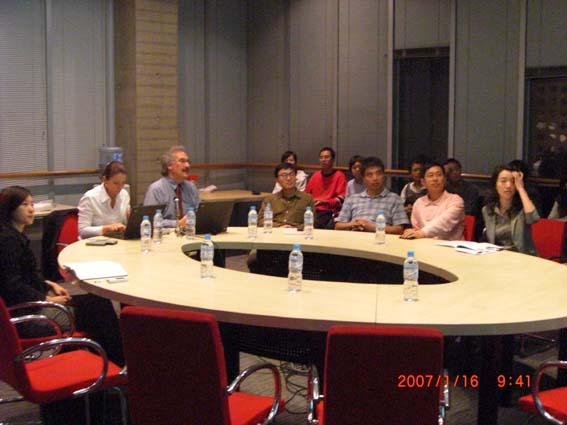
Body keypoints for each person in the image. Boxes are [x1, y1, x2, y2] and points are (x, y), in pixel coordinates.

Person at [0, 186, 123, 364]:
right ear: (10, 209)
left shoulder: (13, 235)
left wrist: (49, 284)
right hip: (26, 316)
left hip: (28, 305)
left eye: (32, 204)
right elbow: (12, 285)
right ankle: (117, 363)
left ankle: (108, 360)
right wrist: (47, 299)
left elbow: (24, 276)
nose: (31, 209)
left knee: (97, 303)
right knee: (98, 312)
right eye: (24, 205)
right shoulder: (8, 241)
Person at [336, 156, 408, 234]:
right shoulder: (353, 199)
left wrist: (373, 227)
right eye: (370, 175)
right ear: (363, 179)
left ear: (384, 176)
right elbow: (338, 226)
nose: (375, 178)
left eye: (378, 173)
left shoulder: (394, 199)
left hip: (381, 238)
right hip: (355, 237)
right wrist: (353, 224)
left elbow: (399, 229)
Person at [482, 165, 539, 255]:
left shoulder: (524, 207)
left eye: (513, 182)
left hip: (522, 257)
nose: (508, 186)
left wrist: (521, 188)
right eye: (503, 181)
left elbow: (533, 218)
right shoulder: (487, 210)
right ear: (495, 184)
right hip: (497, 256)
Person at [401, 162, 464, 240]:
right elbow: (416, 229)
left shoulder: (456, 200)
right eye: (430, 175)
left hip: (449, 245)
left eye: (439, 175)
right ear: (423, 182)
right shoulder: (418, 203)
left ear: (444, 179)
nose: (435, 179)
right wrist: (412, 232)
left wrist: (421, 233)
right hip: (424, 245)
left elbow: (444, 222)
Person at [144, 145, 200, 228]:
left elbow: (199, 214)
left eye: (188, 162)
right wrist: (177, 224)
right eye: (182, 161)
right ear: (169, 165)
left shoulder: (191, 187)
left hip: (190, 232)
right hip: (165, 234)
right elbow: (150, 221)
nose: (187, 165)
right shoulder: (156, 189)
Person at [78, 161, 130, 239]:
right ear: (105, 180)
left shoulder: (124, 194)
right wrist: (106, 228)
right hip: (93, 243)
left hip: (117, 240)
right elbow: (82, 231)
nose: (120, 187)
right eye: (115, 183)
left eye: (122, 183)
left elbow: (125, 224)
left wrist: (131, 220)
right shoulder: (90, 197)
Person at [260, 162, 315, 229]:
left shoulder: (307, 199)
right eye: (284, 175)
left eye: (291, 174)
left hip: (298, 234)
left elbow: (312, 222)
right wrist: (279, 226)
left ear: (296, 177)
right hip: (276, 232)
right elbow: (260, 221)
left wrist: (294, 228)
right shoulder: (270, 199)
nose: (288, 178)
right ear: (277, 180)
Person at [305, 147, 347, 229]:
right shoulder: (315, 175)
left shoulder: (339, 176)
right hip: (313, 210)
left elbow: (342, 198)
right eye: (321, 157)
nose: (323, 160)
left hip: (329, 211)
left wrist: (326, 202)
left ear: (333, 160)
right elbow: (306, 195)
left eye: (326, 157)